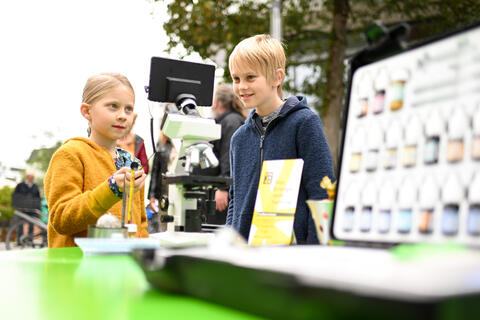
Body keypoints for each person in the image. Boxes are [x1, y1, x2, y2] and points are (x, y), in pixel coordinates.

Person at [226, 34, 335, 244]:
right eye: (236, 79)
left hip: (294, 256)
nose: (241, 87)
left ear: (277, 78)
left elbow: (321, 192)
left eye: (250, 77)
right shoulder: (238, 138)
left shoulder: (304, 123)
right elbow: (235, 199)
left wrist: (315, 252)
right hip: (246, 255)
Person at [44, 72, 148, 248]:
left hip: (123, 270)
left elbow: (140, 224)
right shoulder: (71, 154)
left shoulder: (132, 162)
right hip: (78, 269)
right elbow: (61, 219)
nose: (123, 115)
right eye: (113, 106)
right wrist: (111, 189)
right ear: (87, 111)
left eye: (128, 109)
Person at [193, 84, 246, 225]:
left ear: (216, 102)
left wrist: (223, 188)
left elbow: (229, 157)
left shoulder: (232, 122)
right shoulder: (227, 121)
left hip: (222, 195)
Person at [12, 171, 41, 243]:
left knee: (31, 224)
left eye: (33, 177)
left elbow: (38, 197)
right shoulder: (20, 185)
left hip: (31, 209)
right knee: (20, 225)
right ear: (27, 177)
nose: (32, 178)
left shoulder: (35, 186)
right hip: (21, 209)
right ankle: (19, 240)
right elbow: (15, 196)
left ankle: (30, 240)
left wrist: (38, 207)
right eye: (31, 177)